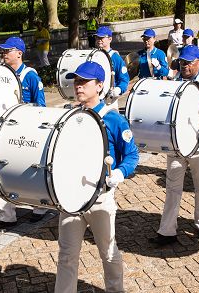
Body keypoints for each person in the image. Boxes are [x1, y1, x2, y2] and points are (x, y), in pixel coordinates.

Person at [55, 61, 139, 293]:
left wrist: (120, 173)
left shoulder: (114, 119)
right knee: (66, 256)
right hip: (71, 198)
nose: (78, 86)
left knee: (109, 253)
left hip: (100, 197)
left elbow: (132, 154)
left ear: (99, 86)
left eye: (84, 82)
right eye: (76, 81)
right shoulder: (71, 116)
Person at [148, 45, 199, 245]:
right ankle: (167, 230)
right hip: (177, 144)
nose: (184, 65)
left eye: (188, 62)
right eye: (182, 62)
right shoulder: (175, 83)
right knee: (172, 187)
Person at [0, 36, 48, 229]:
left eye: (8, 50)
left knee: (33, 168)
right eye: (3, 51)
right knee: (2, 168)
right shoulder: (1, 75)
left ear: (19, 53)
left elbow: (41, 105)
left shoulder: (30, 75)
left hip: (27, 129)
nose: (4, 53)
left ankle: (40, 206)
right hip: (6, 129)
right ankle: (6, 216)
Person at [94, 26, 130, 108]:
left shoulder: (115, 57)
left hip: (109, 100)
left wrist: (118, 89)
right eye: (97, 37)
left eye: (102, 37)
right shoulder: (93, 56)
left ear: (110, 39)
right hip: (94, 98)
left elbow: (124, 79)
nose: (99, 39)